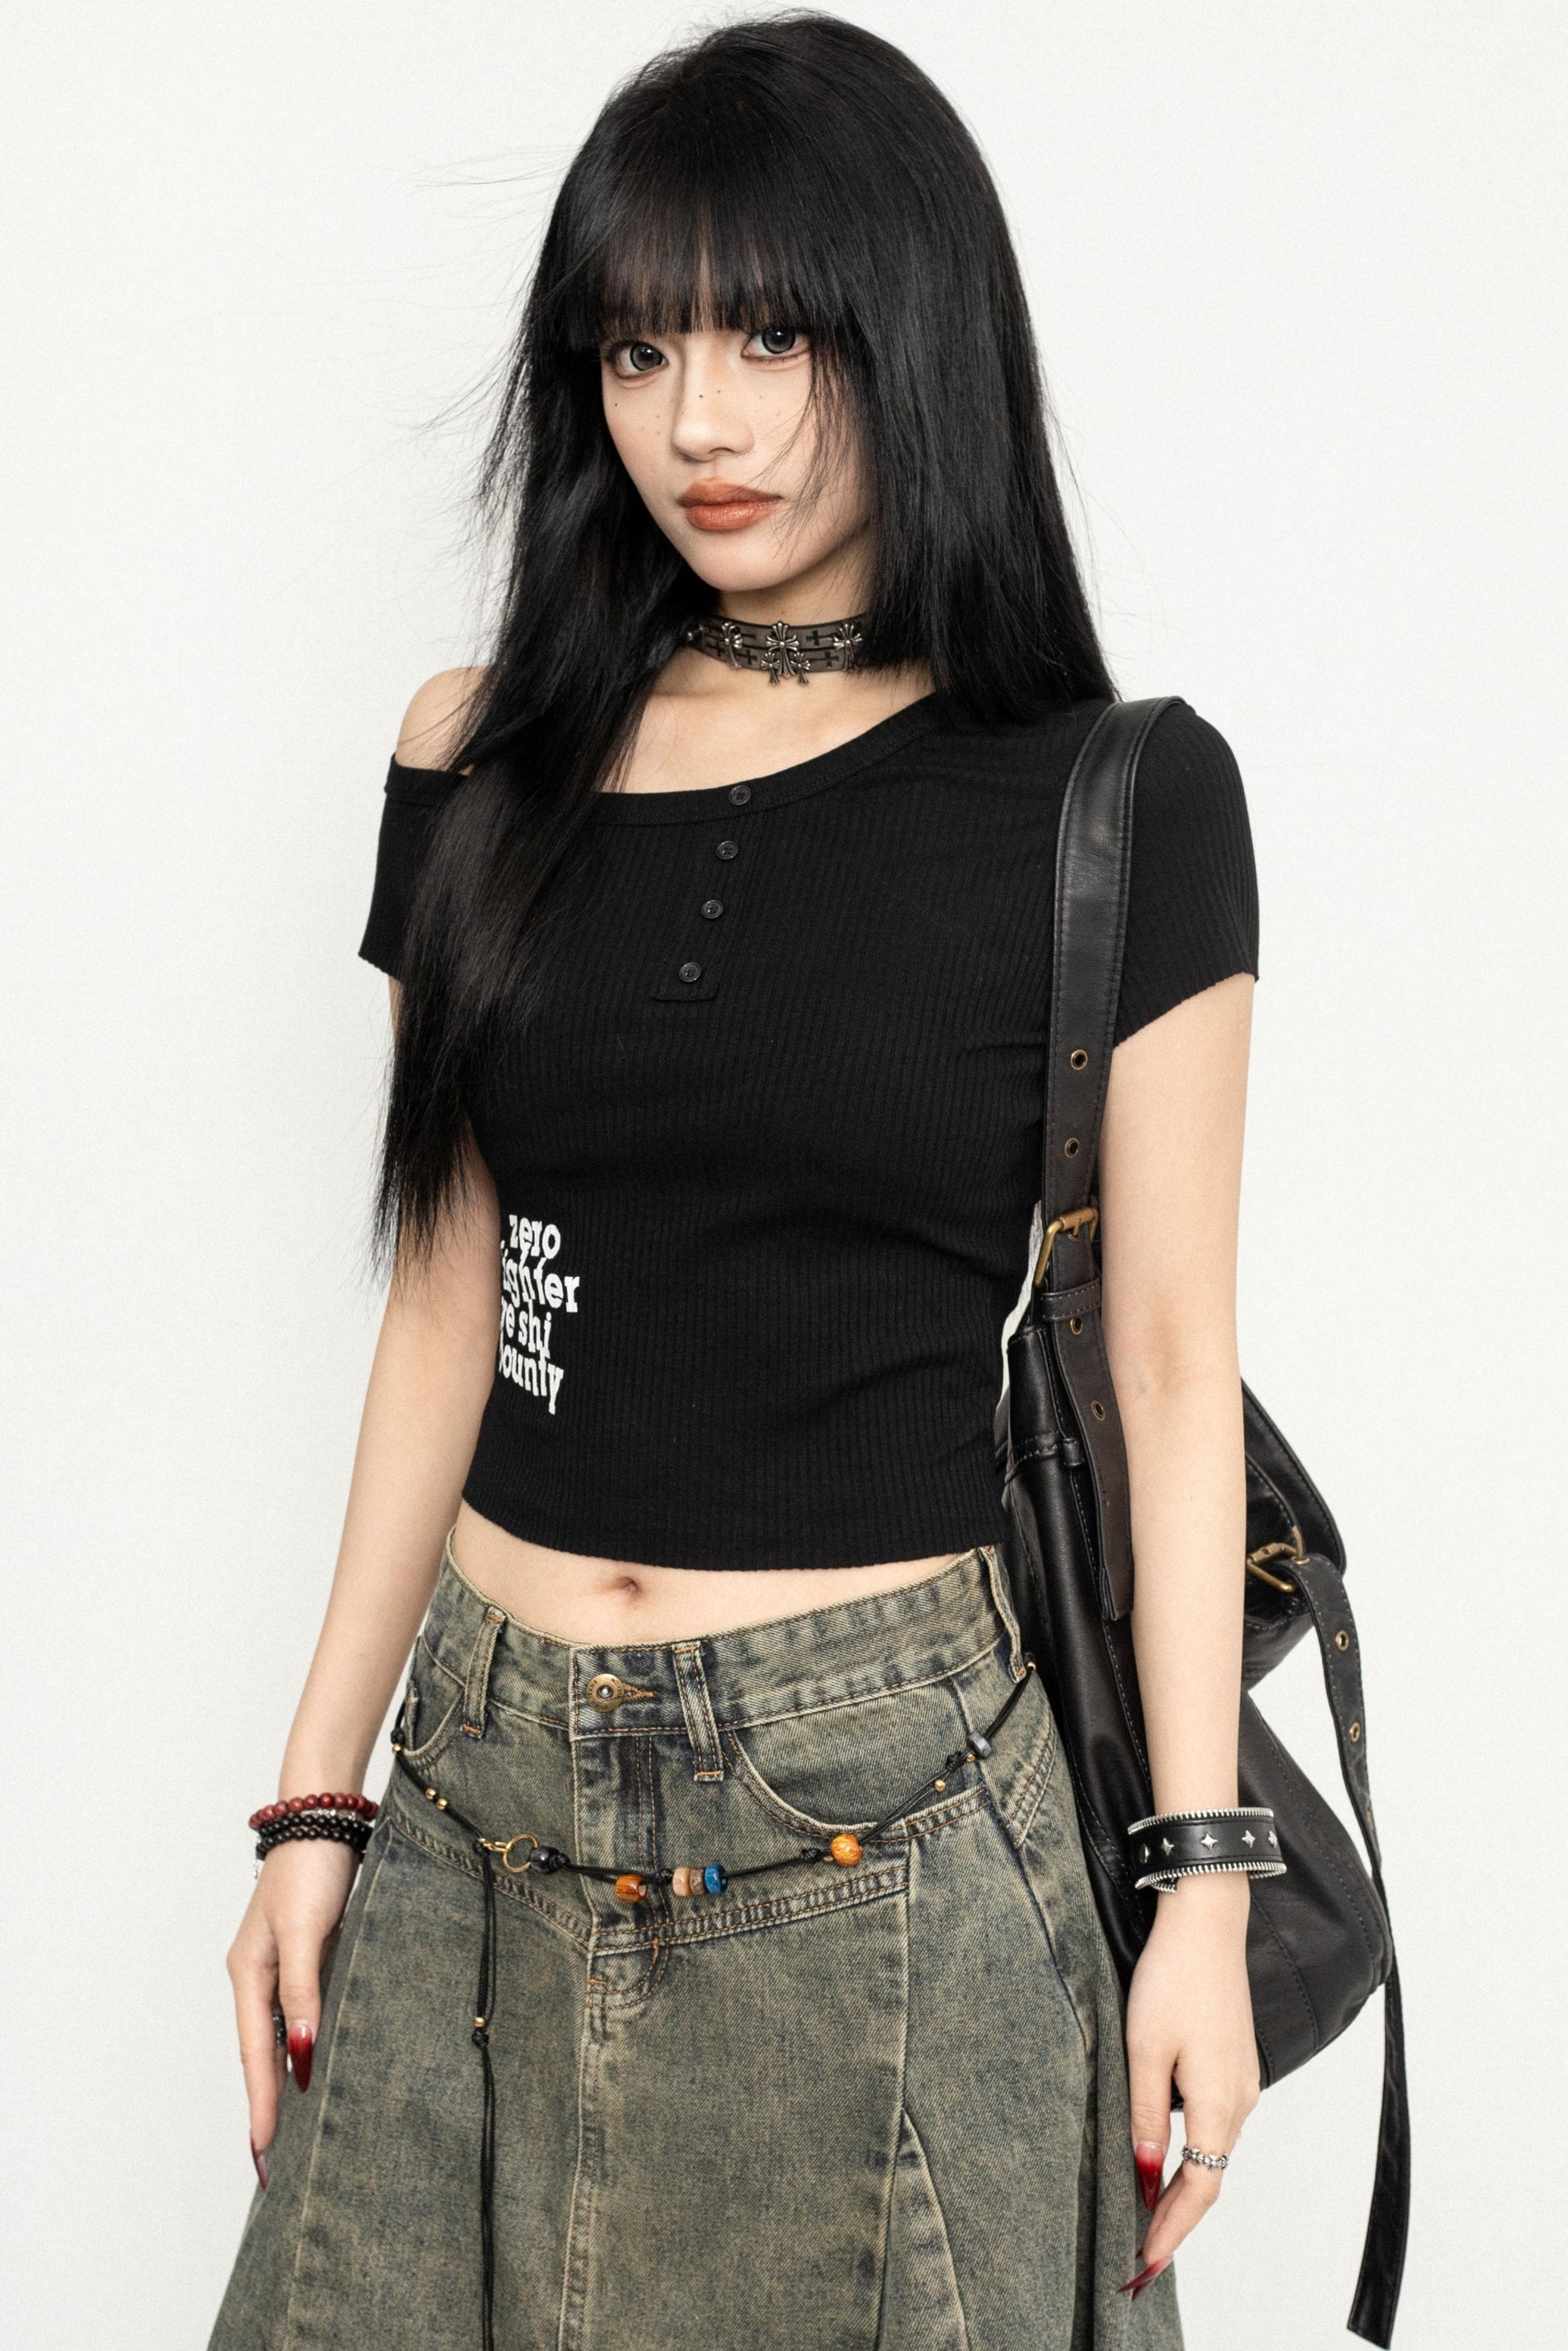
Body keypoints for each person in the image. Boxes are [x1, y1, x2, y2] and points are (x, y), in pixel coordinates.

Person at [211, 18, 1263, 2349]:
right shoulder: (479, 755)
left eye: (776, 337)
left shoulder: (1110, 795)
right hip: (476, 1799)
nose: (702, 421)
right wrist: (315, 1804)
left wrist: (1199, 1887)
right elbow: (445, 1299)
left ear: (918, 333)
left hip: (880, 1802)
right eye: (639, 347)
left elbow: (1173, 1368)